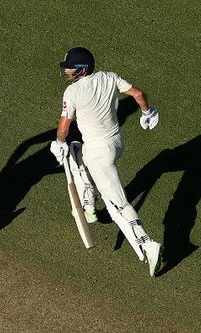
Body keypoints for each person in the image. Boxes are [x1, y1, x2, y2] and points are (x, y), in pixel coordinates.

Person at [50, 47, 161, 277]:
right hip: (117, 143)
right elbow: (138, 94)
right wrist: (147, 113)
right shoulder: (109, 77)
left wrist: (58, 142)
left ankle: (147, 244)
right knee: (75, 151)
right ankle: (89, 204)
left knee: (116, 205)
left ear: (81, 70)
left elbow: (64, 126)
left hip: (98, 153)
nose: (67, 71)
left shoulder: (72, 92)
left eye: (70, 68)